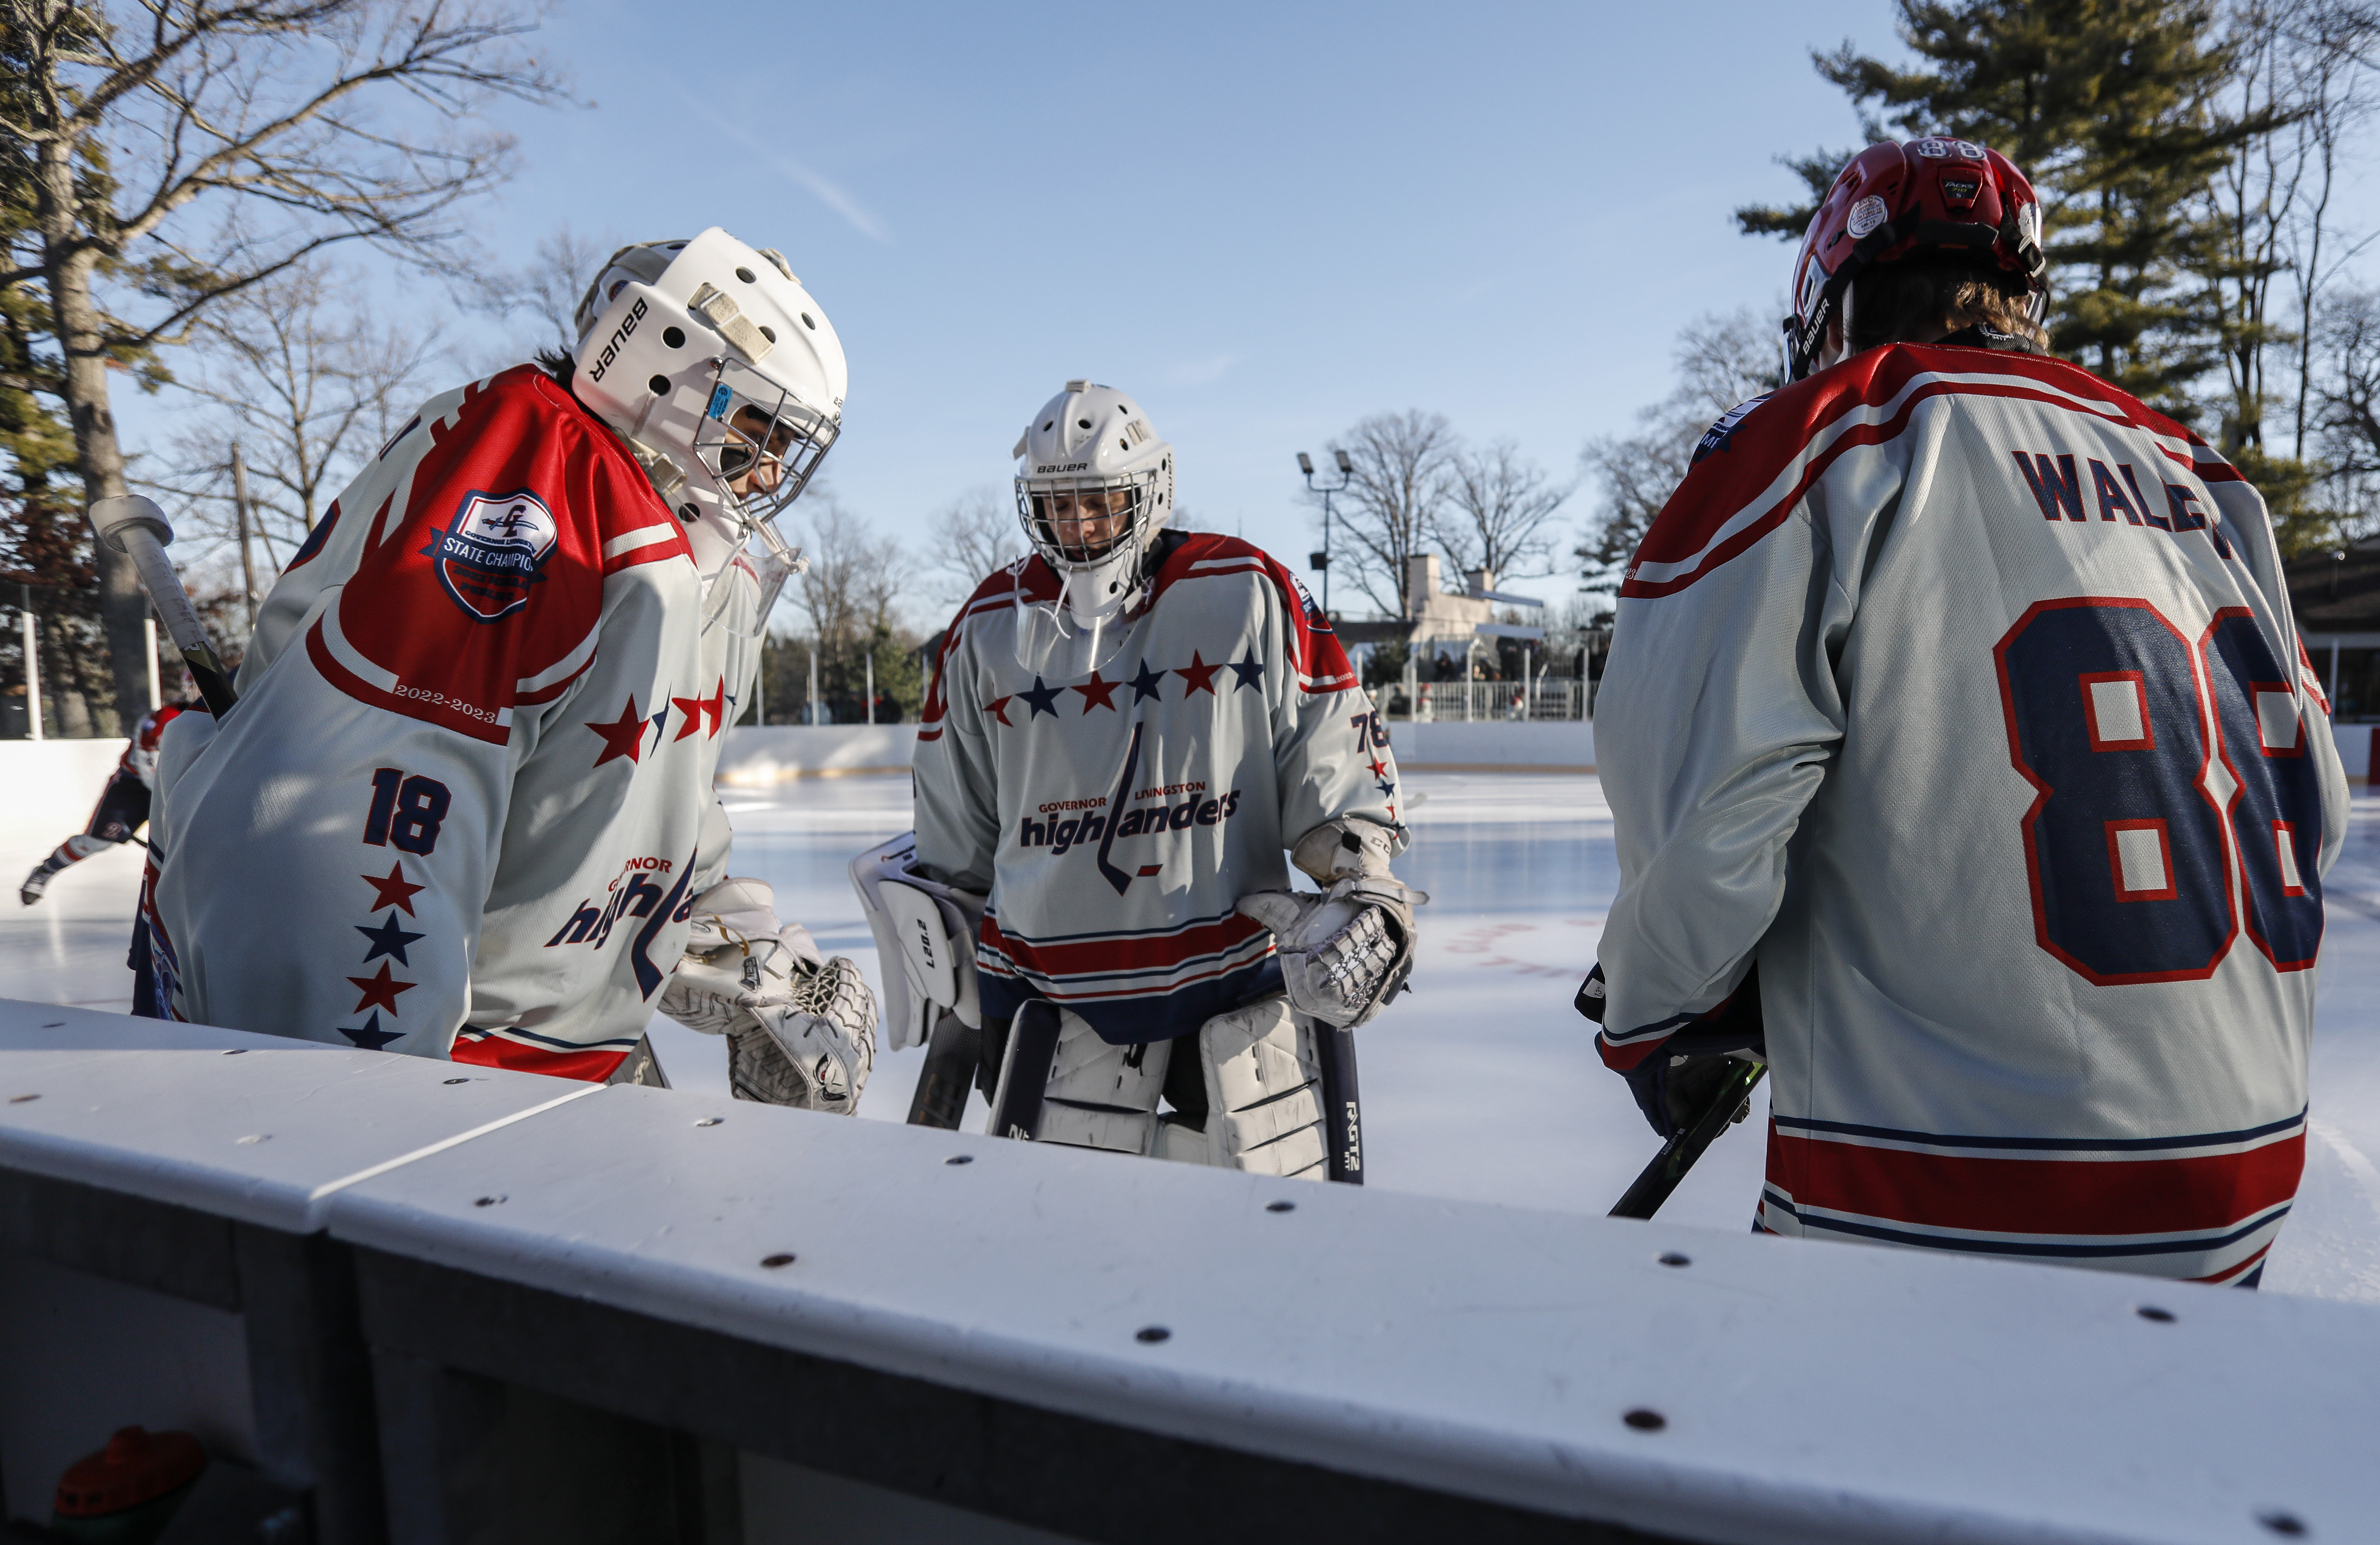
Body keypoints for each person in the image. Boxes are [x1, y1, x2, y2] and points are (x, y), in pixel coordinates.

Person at [1582, 138, 2349, 1285]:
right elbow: (2313, 808)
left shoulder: (1821, 437)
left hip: (1939, 1190)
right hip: (2243, 1172)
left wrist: (1657, 1018)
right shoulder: (2199, 471)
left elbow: (1709, 841)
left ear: (1829, 307)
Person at [148, 229, 876, 1105]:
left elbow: (637, 799)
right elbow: (375, 810)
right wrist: (371, 1101)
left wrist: (728, 946)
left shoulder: (683, 546)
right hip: (474, 1085)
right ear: (661, 362)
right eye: (755, 430)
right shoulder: (534, 480)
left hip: (563, 1062)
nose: (766, 474)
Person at [856, 381, 1423, 1179]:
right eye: (1058, 507)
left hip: (1236, 997)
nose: (1079, 527)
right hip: (1050, 1012)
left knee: (1258, 1259)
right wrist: (948, 953)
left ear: (1149, 491)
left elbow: (1328, 746)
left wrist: (1359, 873)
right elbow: (957, 824)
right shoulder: (989, 627)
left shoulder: (1248, 591)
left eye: (1099, 502)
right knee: (1066, 1263)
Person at [21, 695, 202, 906]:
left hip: (182, 787)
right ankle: (47, 870)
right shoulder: (167, 717)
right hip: (134, 788)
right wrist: (172, 798)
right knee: (99, 840)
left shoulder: (225, 714)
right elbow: (148, 766)